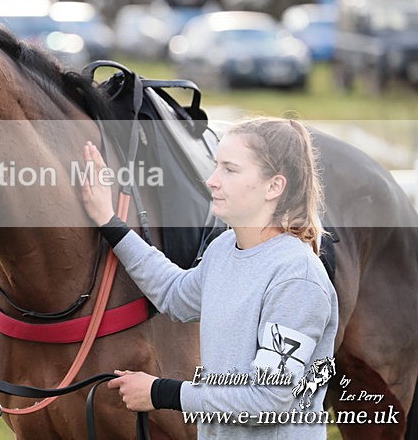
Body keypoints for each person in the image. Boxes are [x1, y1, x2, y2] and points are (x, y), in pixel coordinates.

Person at [81, 117, 339, 438]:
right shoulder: (223, 249)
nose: (212, 181)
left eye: (230, 170)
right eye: (216, 166)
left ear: (274, 186)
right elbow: (174, 295)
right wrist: (110, 221)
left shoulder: (297, 278)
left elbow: (269, 398)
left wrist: (160, 393)